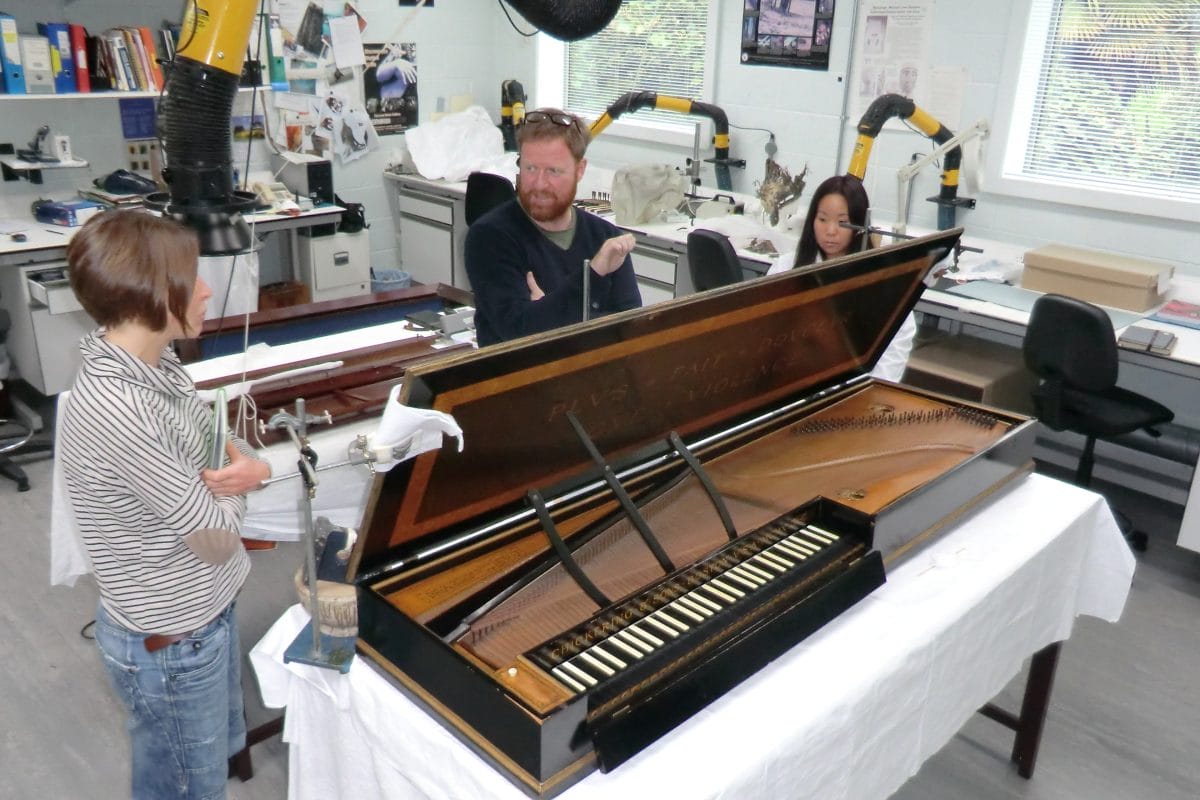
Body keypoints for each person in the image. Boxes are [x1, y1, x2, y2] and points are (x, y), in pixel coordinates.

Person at [57, 211, 270, 800]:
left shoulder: (156, 365)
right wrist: (242, 484)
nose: (206, 290)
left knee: (197, 768)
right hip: (174, 639)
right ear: (152, 293)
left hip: (203, 608)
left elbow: (218, 442)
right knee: (187, 788)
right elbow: (216, 538)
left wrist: (251, 470)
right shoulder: (122, 410)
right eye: (191, 277)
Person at [465, 107, 642, 346]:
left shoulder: (606, 237)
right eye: (530, 168)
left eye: (553, 171)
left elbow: (630, 333)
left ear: (580, 170)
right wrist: (594, 273)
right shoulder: (489, 237)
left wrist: (547, 314)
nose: (539, 184)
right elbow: (518, 334)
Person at [789, 174, 917, 382]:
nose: (830, 231)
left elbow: (897, 342)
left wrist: (866, 390)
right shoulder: (786, 268)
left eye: (842, 222)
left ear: (859, 225)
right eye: (822, 219)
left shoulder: (883, 281)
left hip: (855, 391)